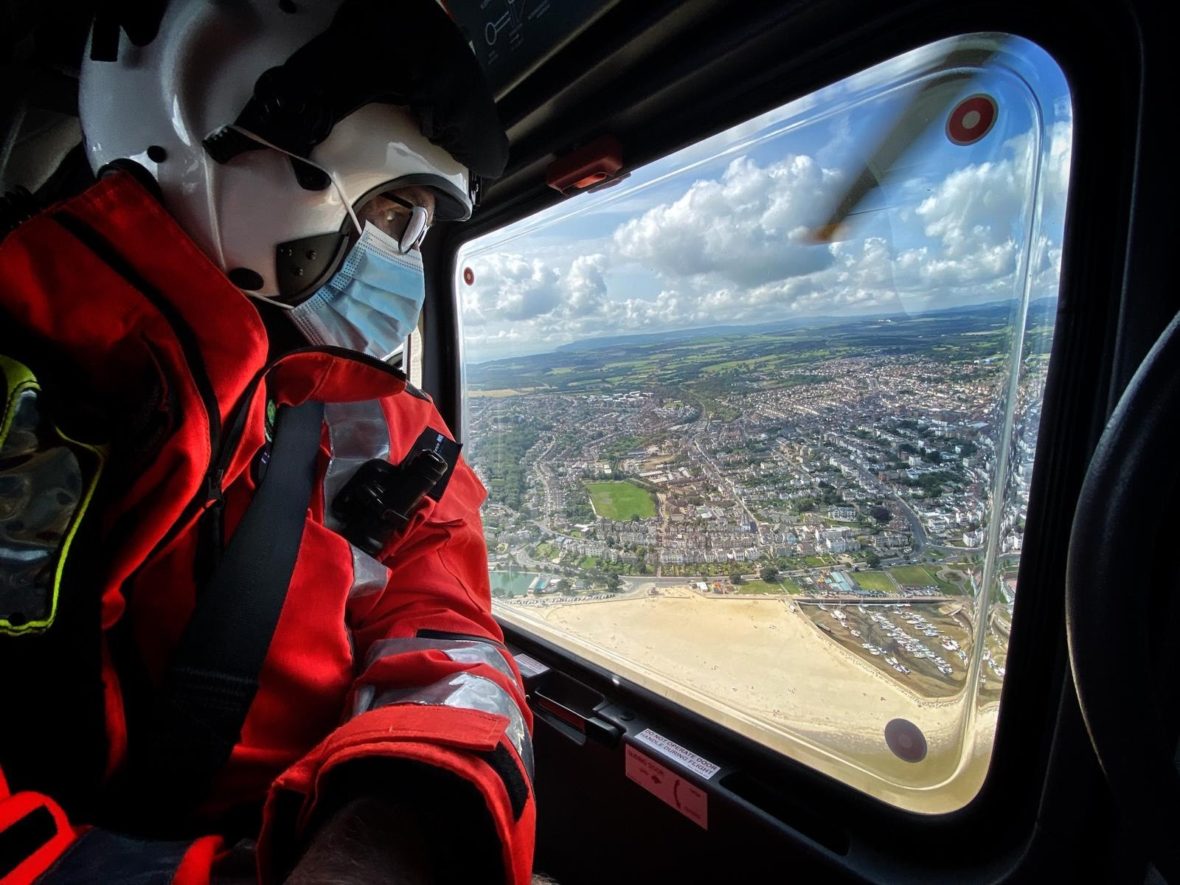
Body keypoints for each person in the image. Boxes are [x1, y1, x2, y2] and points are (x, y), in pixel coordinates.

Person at [0, 1, 535, 882]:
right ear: (221, 113)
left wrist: (409, 812)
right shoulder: (33, 367)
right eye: (395, 210)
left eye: (422, 233)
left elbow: (445, 632)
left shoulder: (402, 433)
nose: (403, 259)